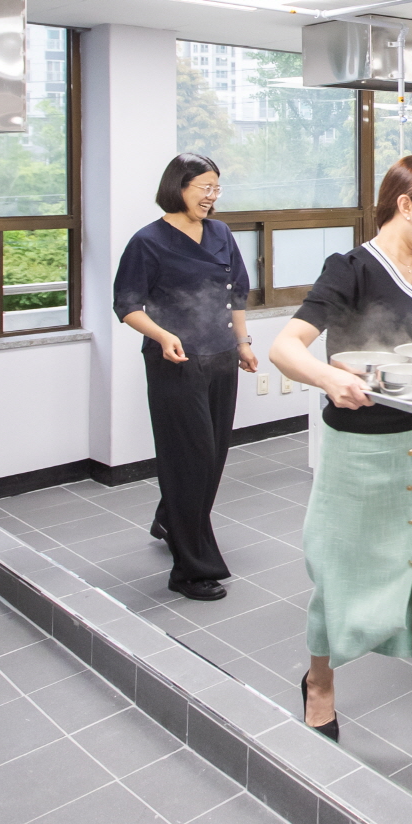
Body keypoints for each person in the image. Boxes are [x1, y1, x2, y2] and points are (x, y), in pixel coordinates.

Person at [268, 156, 412, 769]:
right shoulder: (349, 269)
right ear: (406, 205)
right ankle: (320, 685)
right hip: (359, 452)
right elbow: (285, 347)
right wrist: (329, 378)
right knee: (340, 574)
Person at [114, 153, 260, 601]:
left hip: (220, 357)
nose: (212, 197)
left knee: (211, 455)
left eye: (216, 188)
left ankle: (169, 519)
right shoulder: (148, 241)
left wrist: (243, 343)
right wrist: (162, 335)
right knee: (189, 459)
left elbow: (236, 294)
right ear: (179, 188)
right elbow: (127, 305)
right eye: (205, 188)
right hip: (175, 362)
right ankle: (191, 570)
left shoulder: (219, 232)